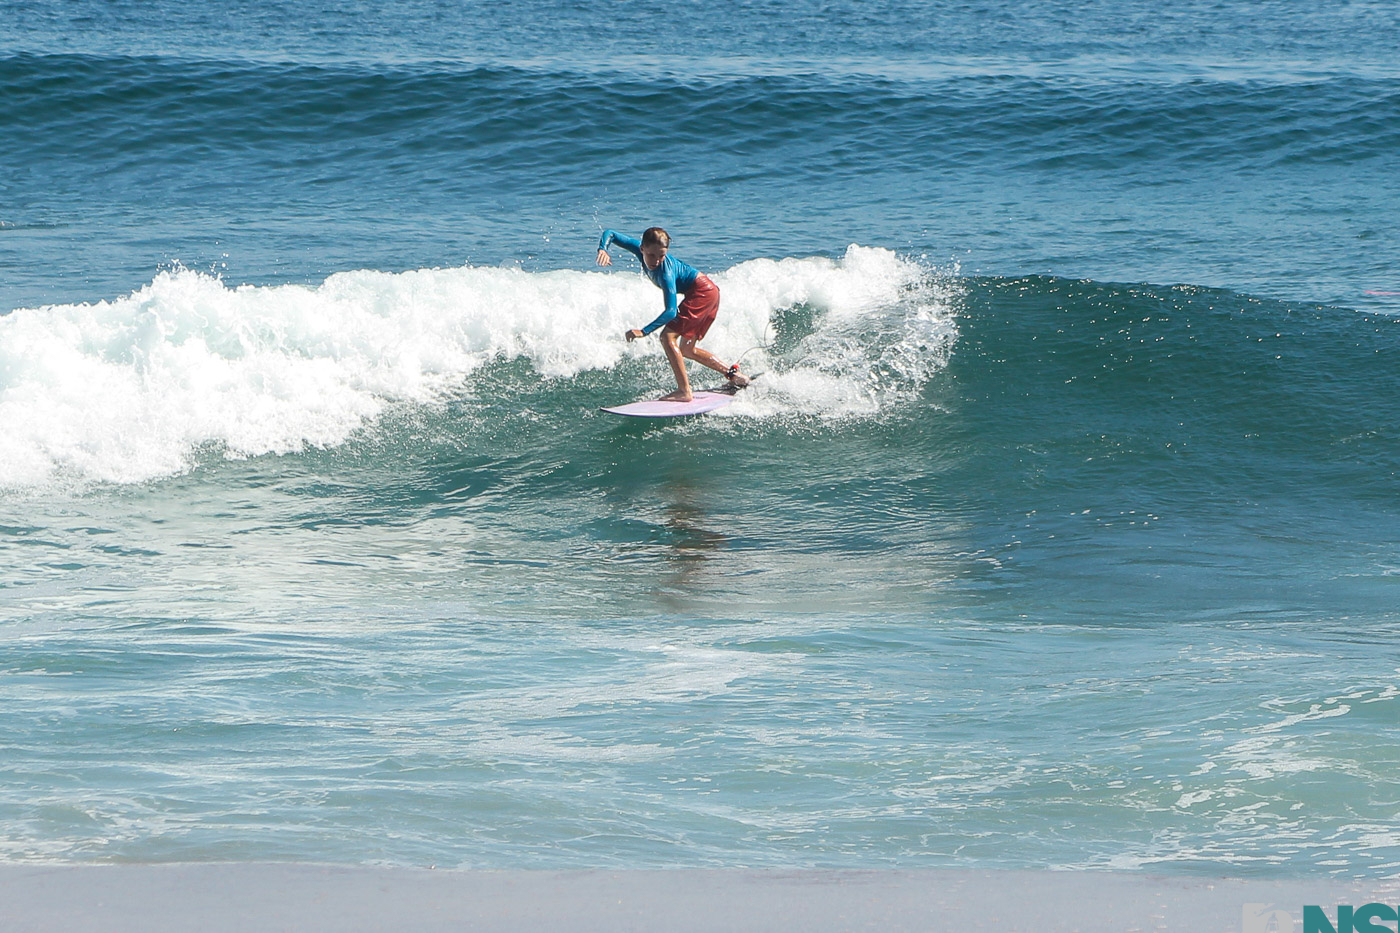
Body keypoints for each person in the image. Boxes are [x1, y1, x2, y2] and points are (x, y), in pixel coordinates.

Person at [596, 226, 749, 402]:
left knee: (667, 338)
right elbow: (611, 233)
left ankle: (684, 391)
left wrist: (644, 331)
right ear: (642, 248)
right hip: (708, 291)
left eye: (662, 255)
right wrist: (603, 248)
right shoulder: (638, 248)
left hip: (703, 293)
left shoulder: (666, 272)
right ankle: (736, 376)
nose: (657, 260)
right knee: (687, 349)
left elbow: (670, 311)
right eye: (652, 255)